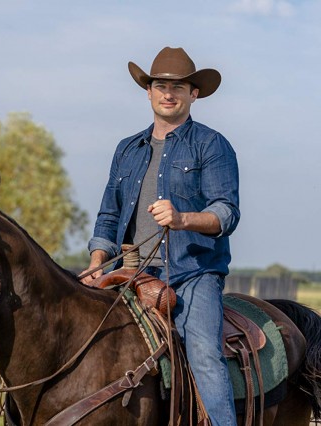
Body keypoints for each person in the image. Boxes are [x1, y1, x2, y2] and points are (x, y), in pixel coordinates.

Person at [81, 46, 240, 425]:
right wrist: (96, 263)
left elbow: (226, 213)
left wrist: (182, 218)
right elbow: (108, 215)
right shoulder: (127, 149)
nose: (168, 93)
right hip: (129, 272)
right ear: (148, 91)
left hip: (193, 272)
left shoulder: (210, 144)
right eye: (161, 85)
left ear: (193, 94)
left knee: (203, 353)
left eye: (178, 87)